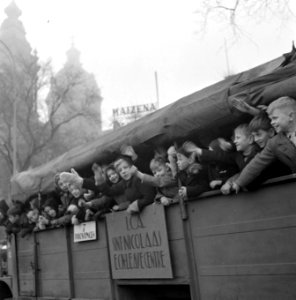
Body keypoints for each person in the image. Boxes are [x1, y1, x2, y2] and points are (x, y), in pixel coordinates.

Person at [232, 96, 296, 192]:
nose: (272, 123)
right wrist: (239, 182)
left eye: (275, 118)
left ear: (291, 116)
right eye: (271, 119)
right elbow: (257, 163)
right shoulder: (274, 142)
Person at [184, 123, 259, 194]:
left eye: (238, 138)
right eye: (234, 138)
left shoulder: (259, 153)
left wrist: (231, 182)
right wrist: (198, 150)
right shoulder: (237, 155)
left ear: (250, 139)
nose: (235, 141)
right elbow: (217, 155)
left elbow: (247, 171)